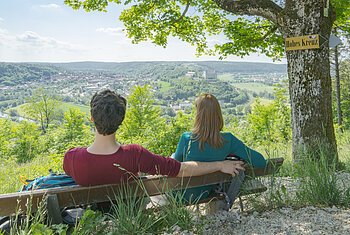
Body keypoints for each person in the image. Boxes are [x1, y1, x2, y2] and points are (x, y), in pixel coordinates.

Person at [63, 89, 245, 187]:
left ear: (91, 118)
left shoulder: (71, 157)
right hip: (131, 215)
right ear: (121, 120)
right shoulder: (135, 154)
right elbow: (181, 169)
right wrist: (221, 164)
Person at [173, 93, 267, 203]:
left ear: (198, 115)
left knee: (173, 156)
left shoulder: (187, 139)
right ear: (218, 114)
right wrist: (238, 163)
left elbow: (174, 168)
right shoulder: (228, 140)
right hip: (206, 193)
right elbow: (260, 162)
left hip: (182, 195)